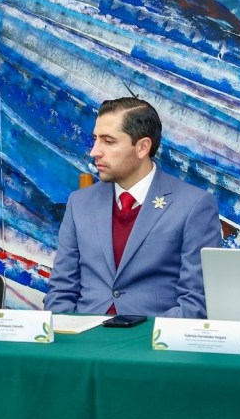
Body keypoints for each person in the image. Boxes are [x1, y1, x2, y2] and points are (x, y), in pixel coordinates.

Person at [45, 98, 221, 317]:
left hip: (153, 344)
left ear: (142, 147)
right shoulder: (79, 203)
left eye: (108, 141)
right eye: (95, 139)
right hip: (85, 342)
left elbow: (196, 301)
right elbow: (60, 292)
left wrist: (141, 340)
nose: (94, 151)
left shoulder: (194, 205)